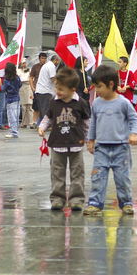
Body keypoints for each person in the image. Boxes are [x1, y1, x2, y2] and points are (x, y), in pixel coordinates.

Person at [84, 65, 137, 216]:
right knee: (97, 177)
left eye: (99, 86)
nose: (97, 90)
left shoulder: (123, 102)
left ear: (111, 84)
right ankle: (95, 203)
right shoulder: (96, 103)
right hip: (101, 148)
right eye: (95, 86)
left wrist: (134, 134)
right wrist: (90, 140)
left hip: (121, 148)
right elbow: (93, 123)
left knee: (122, 178)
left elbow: (135, 119)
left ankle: (126, 203)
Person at [37, 67, 91, 211]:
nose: (57, 91)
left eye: (61, 89)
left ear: (73, 89)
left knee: (77, 172)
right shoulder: (54, 102)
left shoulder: (80, 103)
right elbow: (48, 117)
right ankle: (57, 198)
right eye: (56, 88)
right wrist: (42, 127)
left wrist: (89, 138)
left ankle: (77, 199)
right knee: (57, 172)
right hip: (57, 143)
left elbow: (87, 123)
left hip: (76, 143)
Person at [34, 52, 59, 124]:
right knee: (45, 109)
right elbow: (53, 78)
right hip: (45, 91)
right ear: (56, 60)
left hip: (42, 90)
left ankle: (39, 124)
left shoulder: (47, 65)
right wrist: (59, 87)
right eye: (58, 61)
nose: (58, 63)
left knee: (43, 109)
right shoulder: (51, 66)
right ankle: (44, 125)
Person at [3, 62, 22, 139]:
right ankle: (15, 131)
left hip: (10, 99)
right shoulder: (17, 78)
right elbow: (20, 85)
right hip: (17, 98)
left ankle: (13, 132)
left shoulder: (7, 80)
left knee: (11, 116)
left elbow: (3, 88)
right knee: (16, 116)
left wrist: (0, 82)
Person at [29, 52, 47, 126]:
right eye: (42, 58)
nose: (44, 60)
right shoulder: (35, 67)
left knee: (44, 107)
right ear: (39, 58)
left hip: (45, 89)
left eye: (45, 58)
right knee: (36, 107)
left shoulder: (47, 67)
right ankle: (34, 122)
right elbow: (31, 77)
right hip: (37, 89)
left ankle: (42, 122)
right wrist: (32, 87)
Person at [19, 59, 34, 128]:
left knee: (30, 106)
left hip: (29, 87)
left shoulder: (30, 70)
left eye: (25, 63)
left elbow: (31, 79)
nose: (24, 64)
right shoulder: (18, 71)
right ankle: (24, 123)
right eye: (23, 63)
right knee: (24, 106)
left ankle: (31, 123)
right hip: (22, 87)